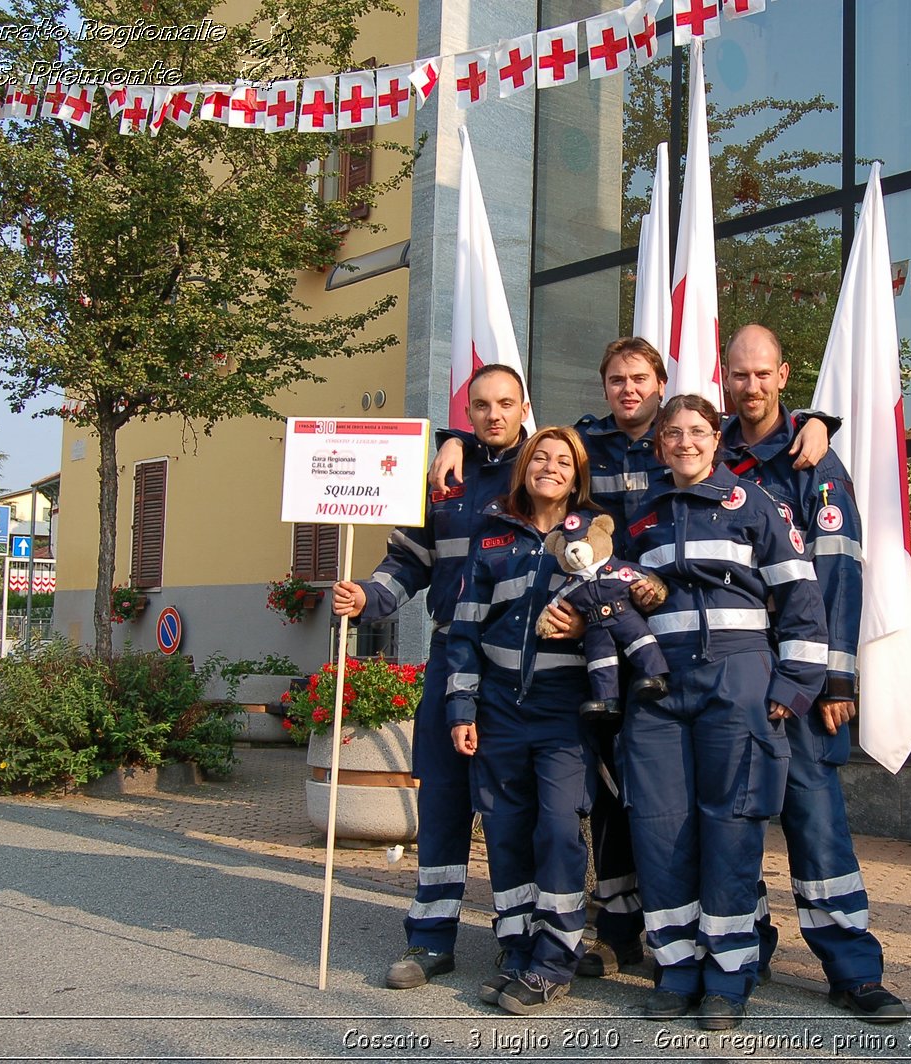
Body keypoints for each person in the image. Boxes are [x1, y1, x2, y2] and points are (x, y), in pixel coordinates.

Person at [425, 338, 838, 979]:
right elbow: (545, 480)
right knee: (636, 815)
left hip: (726, 675)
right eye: (616, 378)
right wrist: (454, 435)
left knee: (743, 817)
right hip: (630, 679)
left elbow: (800, 570)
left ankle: (755, 952)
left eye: (640, 379)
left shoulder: (735, 483)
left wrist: (817, 421)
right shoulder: (612, 491)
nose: (629, 389)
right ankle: (624, 940)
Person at [718, 324, 906, 1023]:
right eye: (740, 375)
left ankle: (853, 970)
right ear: (725, 376)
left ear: (783, 373)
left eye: (763, 374)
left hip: (797, 683)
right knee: (733, 823)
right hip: (732, 681)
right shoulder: (713, 453)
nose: (752, 386)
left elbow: (839, 573)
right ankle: (745, 950)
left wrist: (835, 679)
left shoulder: (812, 463)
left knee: (817, 824)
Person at [623, 394, 829, 1030]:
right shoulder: (641, 518)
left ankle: (728, 975)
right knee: (659, 829)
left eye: (697, 433)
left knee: (732, 826)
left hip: (736, 682)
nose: (685, 443)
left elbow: (800, 597)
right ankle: (676, 967)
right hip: (658, 691)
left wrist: (792, 687)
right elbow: (617, 600)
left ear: (717, 440)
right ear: (659, 446)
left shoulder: (754, 505)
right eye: (673, 434)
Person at [329, 363, 532, 990]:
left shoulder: (547, 471)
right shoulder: (444, 479)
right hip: (450, 655)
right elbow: (407, 562)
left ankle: (519, 940)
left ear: (525, 406)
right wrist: (367, 596)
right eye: (480, 406)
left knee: (509, 808)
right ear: (466, 414)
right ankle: (431, 938)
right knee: (442, 799)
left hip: (517, 662)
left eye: (504, 403)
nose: (492, 414)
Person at [445, 427, 602, 1015]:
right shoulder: (492, 535)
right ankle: (516, 945)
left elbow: (617, 608)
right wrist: (462, 707)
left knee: (559, 828)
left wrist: (588, 625)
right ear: (525, 467)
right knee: (506, 829)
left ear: (577, 474)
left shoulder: (594, 534)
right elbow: (463, 633)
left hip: (564, 709)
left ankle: (555, 956)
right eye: (541, 457)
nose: (551, 467)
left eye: (564, 460)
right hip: (499, 710)